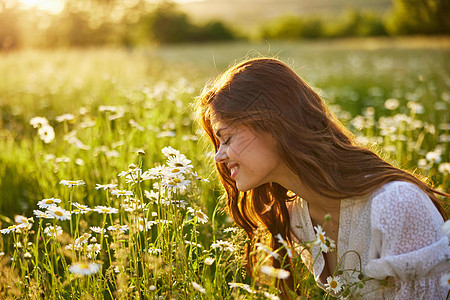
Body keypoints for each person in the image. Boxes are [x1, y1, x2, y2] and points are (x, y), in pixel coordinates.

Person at [194, 57, 449, 299]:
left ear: (273, 125)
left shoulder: (396, 205)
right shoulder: (298, 217)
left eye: (226, 138)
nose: (219, 156)